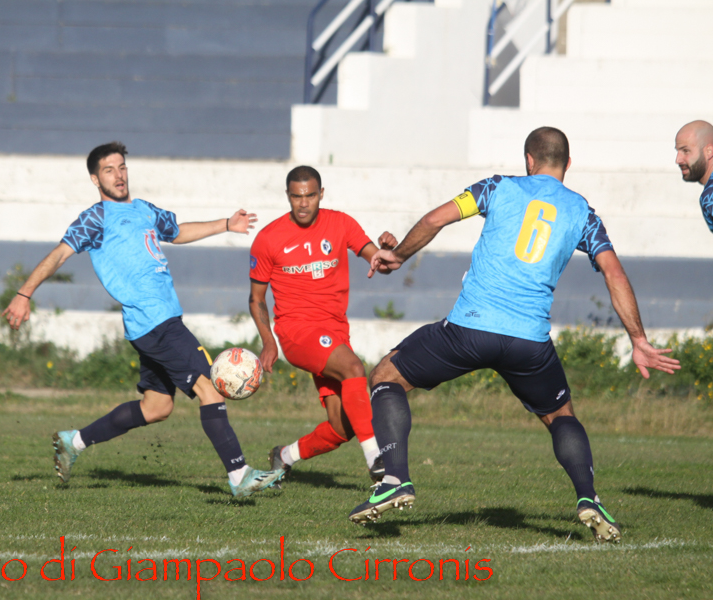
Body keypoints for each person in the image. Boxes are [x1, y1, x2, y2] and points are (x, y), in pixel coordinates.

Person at [348, 127, 680, 543]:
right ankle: (589, 498)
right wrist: (638, 339)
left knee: (386, 376)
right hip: (529, 343)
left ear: (529, 160)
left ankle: (395, 479)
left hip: (469, 330)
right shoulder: (583, 212)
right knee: (561, 416)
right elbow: (614, 273)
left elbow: (435, 219)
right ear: (568, 164)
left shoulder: (497, 187)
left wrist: (397, 255)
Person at [1, 142, 284, 498]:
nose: (118, 175)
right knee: (210, 389)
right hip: (156, 322)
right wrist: (24, 293)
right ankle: (239, 474)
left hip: (154, 323)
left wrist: (226, 224)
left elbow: (177, 231)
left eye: (122, 167)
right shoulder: (96, 218)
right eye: (109, 170)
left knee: (157, 407)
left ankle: (74, 441)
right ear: (95, 179)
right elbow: (59, 254)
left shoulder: (144, 210)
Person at [249, 165, 395, 482]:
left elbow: (380, 262)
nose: (303, 203)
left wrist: (386, 253)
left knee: (343, 426)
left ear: (321, 194)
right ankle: (377, 459)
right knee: (354, 368)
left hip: (335, 332)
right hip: (297, 332)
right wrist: (269, 341)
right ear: (288, 196)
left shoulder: (340, 224)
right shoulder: (268, 239)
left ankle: (284, 456)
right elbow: (256, 298)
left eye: (310, 196)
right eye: (296, 196)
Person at [674, 120, 713, 234]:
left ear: (709, 151)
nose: (678, 160)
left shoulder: (710, 196)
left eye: (686, 151)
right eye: (678, 151)